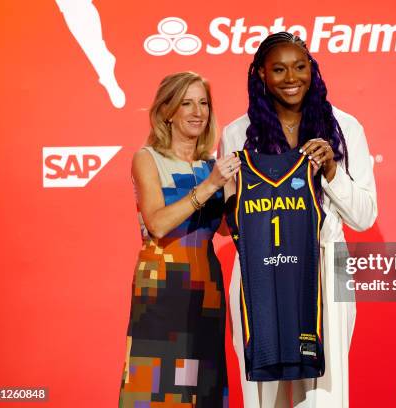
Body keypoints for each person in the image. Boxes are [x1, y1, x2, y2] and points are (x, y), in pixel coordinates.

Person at [220, 32, 378, 407]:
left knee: (325, 392)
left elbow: (364, 216)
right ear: (260, 74)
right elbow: (232, 222)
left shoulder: (344, 127)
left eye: (300, 67)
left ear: (313, 70)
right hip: (261, 266)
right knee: (264, 391)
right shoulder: (237, 133)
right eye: (278, 69)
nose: (292, 78)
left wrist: (331, 171)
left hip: (326, 262)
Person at [119, 72, 241, 407]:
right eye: (186, 103)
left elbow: (224, 230)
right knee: (158, 385)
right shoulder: (148, 158)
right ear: (168, 111)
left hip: (206, 286)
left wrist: (244, 190)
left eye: (203, 103)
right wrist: (210, 186)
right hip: (162, 286)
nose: (197, 111)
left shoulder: (212, 165)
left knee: (203, 386)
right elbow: (157, 223)